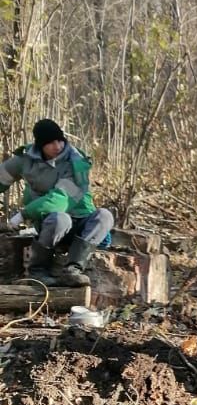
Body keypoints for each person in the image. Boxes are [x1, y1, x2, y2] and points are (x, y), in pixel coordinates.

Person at [0, 119, 113, 287]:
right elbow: (2, 177)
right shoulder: (26, 160)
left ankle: (73, 269)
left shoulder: (76, 162)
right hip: (51, 225)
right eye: (51, 142)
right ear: (40, 145)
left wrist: (22, 215)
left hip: (81, 224)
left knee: (105, 216)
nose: (58, 146)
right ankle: (37, 272)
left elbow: (61, 199)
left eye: (60, 140)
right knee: (60, 219)